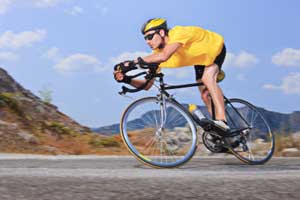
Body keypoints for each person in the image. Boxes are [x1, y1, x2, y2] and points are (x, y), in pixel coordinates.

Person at [114, 18, 229, 130]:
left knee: (208, 78)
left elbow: (164, 56)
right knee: (205, 95)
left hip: (214, 48)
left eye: (150, 37)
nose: (147, 41)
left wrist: (132, 63)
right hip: (200, 60)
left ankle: (222, 121)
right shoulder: (157, 54)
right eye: (145, 39)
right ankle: (219, 134)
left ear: (162, 32)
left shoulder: (177, 33)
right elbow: (147, 85)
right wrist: (126, 79)